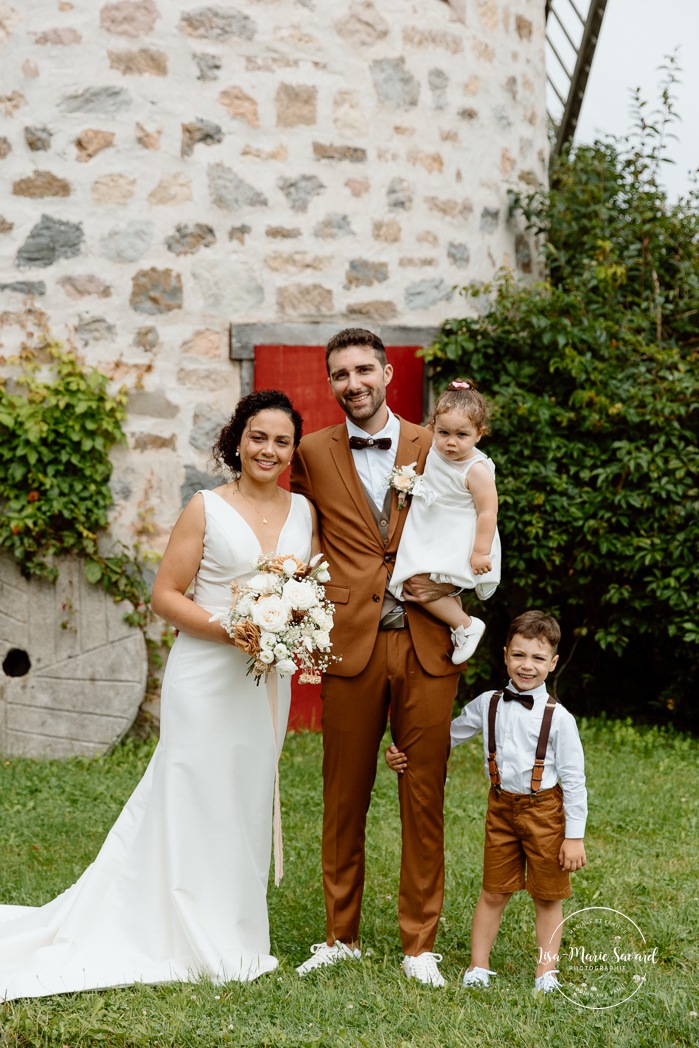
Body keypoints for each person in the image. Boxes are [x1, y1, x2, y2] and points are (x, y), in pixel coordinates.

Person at [0, 389, 316, 1000]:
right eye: (258, 436)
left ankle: (238, 932)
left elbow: (304, 589)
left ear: (293, 449)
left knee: (247, 796)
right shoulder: (206, 507)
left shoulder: (304, 513)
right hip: (205, 672)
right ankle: (182, 927)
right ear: (238, 439)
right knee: (194, 790)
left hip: (266, 681)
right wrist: (232, 627)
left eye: (281, 440)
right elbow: (166, 595)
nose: (268, 450)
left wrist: (294, 629)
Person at [291, 327, 461, 988]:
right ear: (331, 383)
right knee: (343, 795)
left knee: (423, 794)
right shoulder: (309, 451)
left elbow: (476, 511)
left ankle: (419, 945)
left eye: (364, 369)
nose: (353, 383)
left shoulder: (436, 441)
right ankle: (340, 935)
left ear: (388, 373)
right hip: (350, 643)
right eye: (340, 374)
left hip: (427, 641)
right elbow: (287, 520)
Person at [386, 610, 588, 994]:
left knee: (547, 895)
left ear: (553, 663)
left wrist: (573, 836)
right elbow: (444, 736)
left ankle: (546, 973)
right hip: (500, 809)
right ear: (506, 654)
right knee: (493, 890)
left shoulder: (560, 719)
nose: (527, 666)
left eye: (538, 658)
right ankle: (478, 966)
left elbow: (575, 782)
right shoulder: (488, 703)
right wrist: (401, 750)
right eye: (519, 655)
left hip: (545, 811)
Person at [388, 379, 500, 665]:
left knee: (424, 585)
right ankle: (458, 626)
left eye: (462, 434)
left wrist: (480, 552)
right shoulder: (434, 450)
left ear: (479, 434)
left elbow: (488, 512)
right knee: (413, 581)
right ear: (431, 428)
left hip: (458, 533)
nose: (451, 442)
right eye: (444, 432)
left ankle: (465, 625)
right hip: (430, 526)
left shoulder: (476, 469)